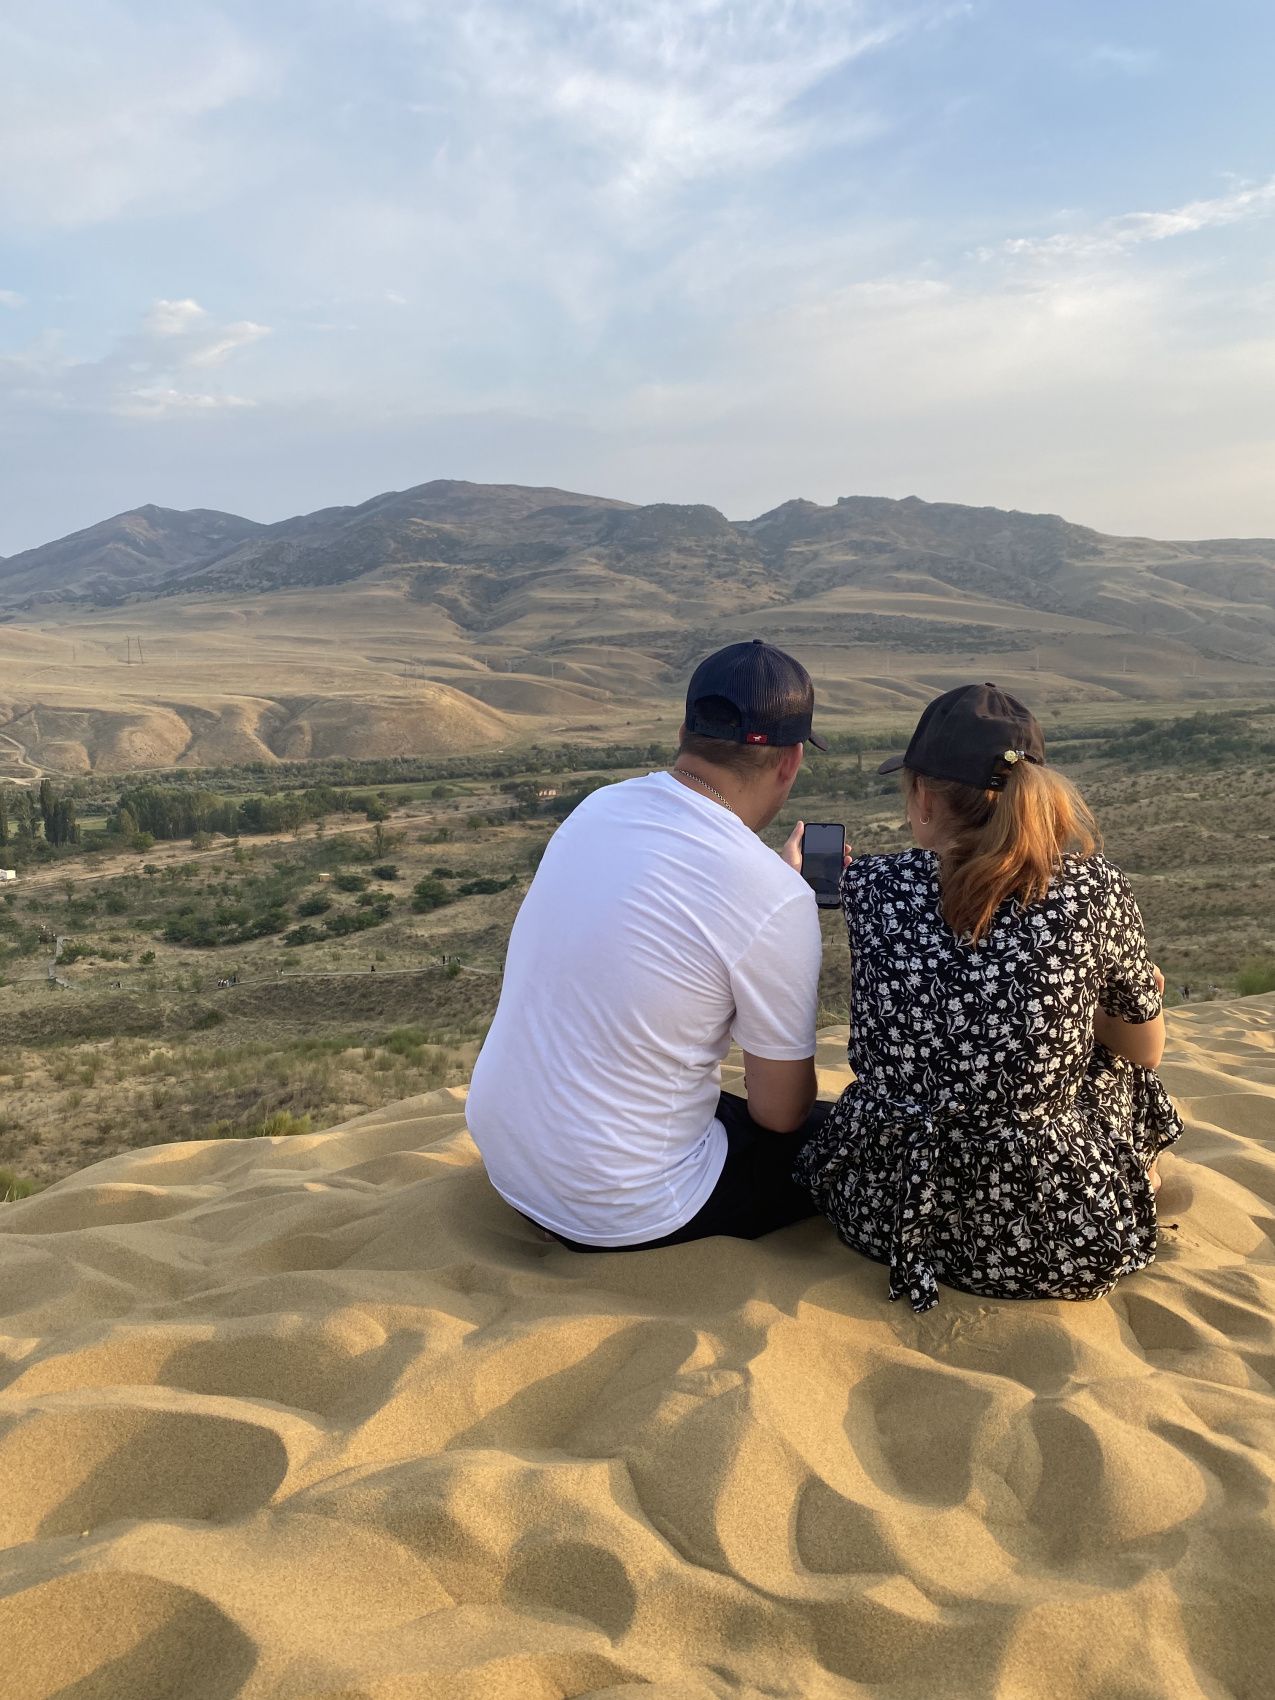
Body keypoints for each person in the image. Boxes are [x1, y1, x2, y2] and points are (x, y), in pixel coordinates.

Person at [794, 682, 1182, 1313]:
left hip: (879, 1207)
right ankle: (1134, 1174)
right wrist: (1106, 997)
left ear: (924, 794)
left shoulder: (869, 886)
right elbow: (1147, 1051)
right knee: (1117, 1051)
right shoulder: (1094, 889)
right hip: (1052, 1234)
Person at [467, 638, 833, 1250]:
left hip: (510, 1165)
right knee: (841, 1135)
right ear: (791, 761)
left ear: (684, 733)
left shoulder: (597, 807)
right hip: (626, 1208)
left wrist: (769, 890)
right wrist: (778, 897)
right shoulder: (773, 895)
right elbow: (780, 1114)